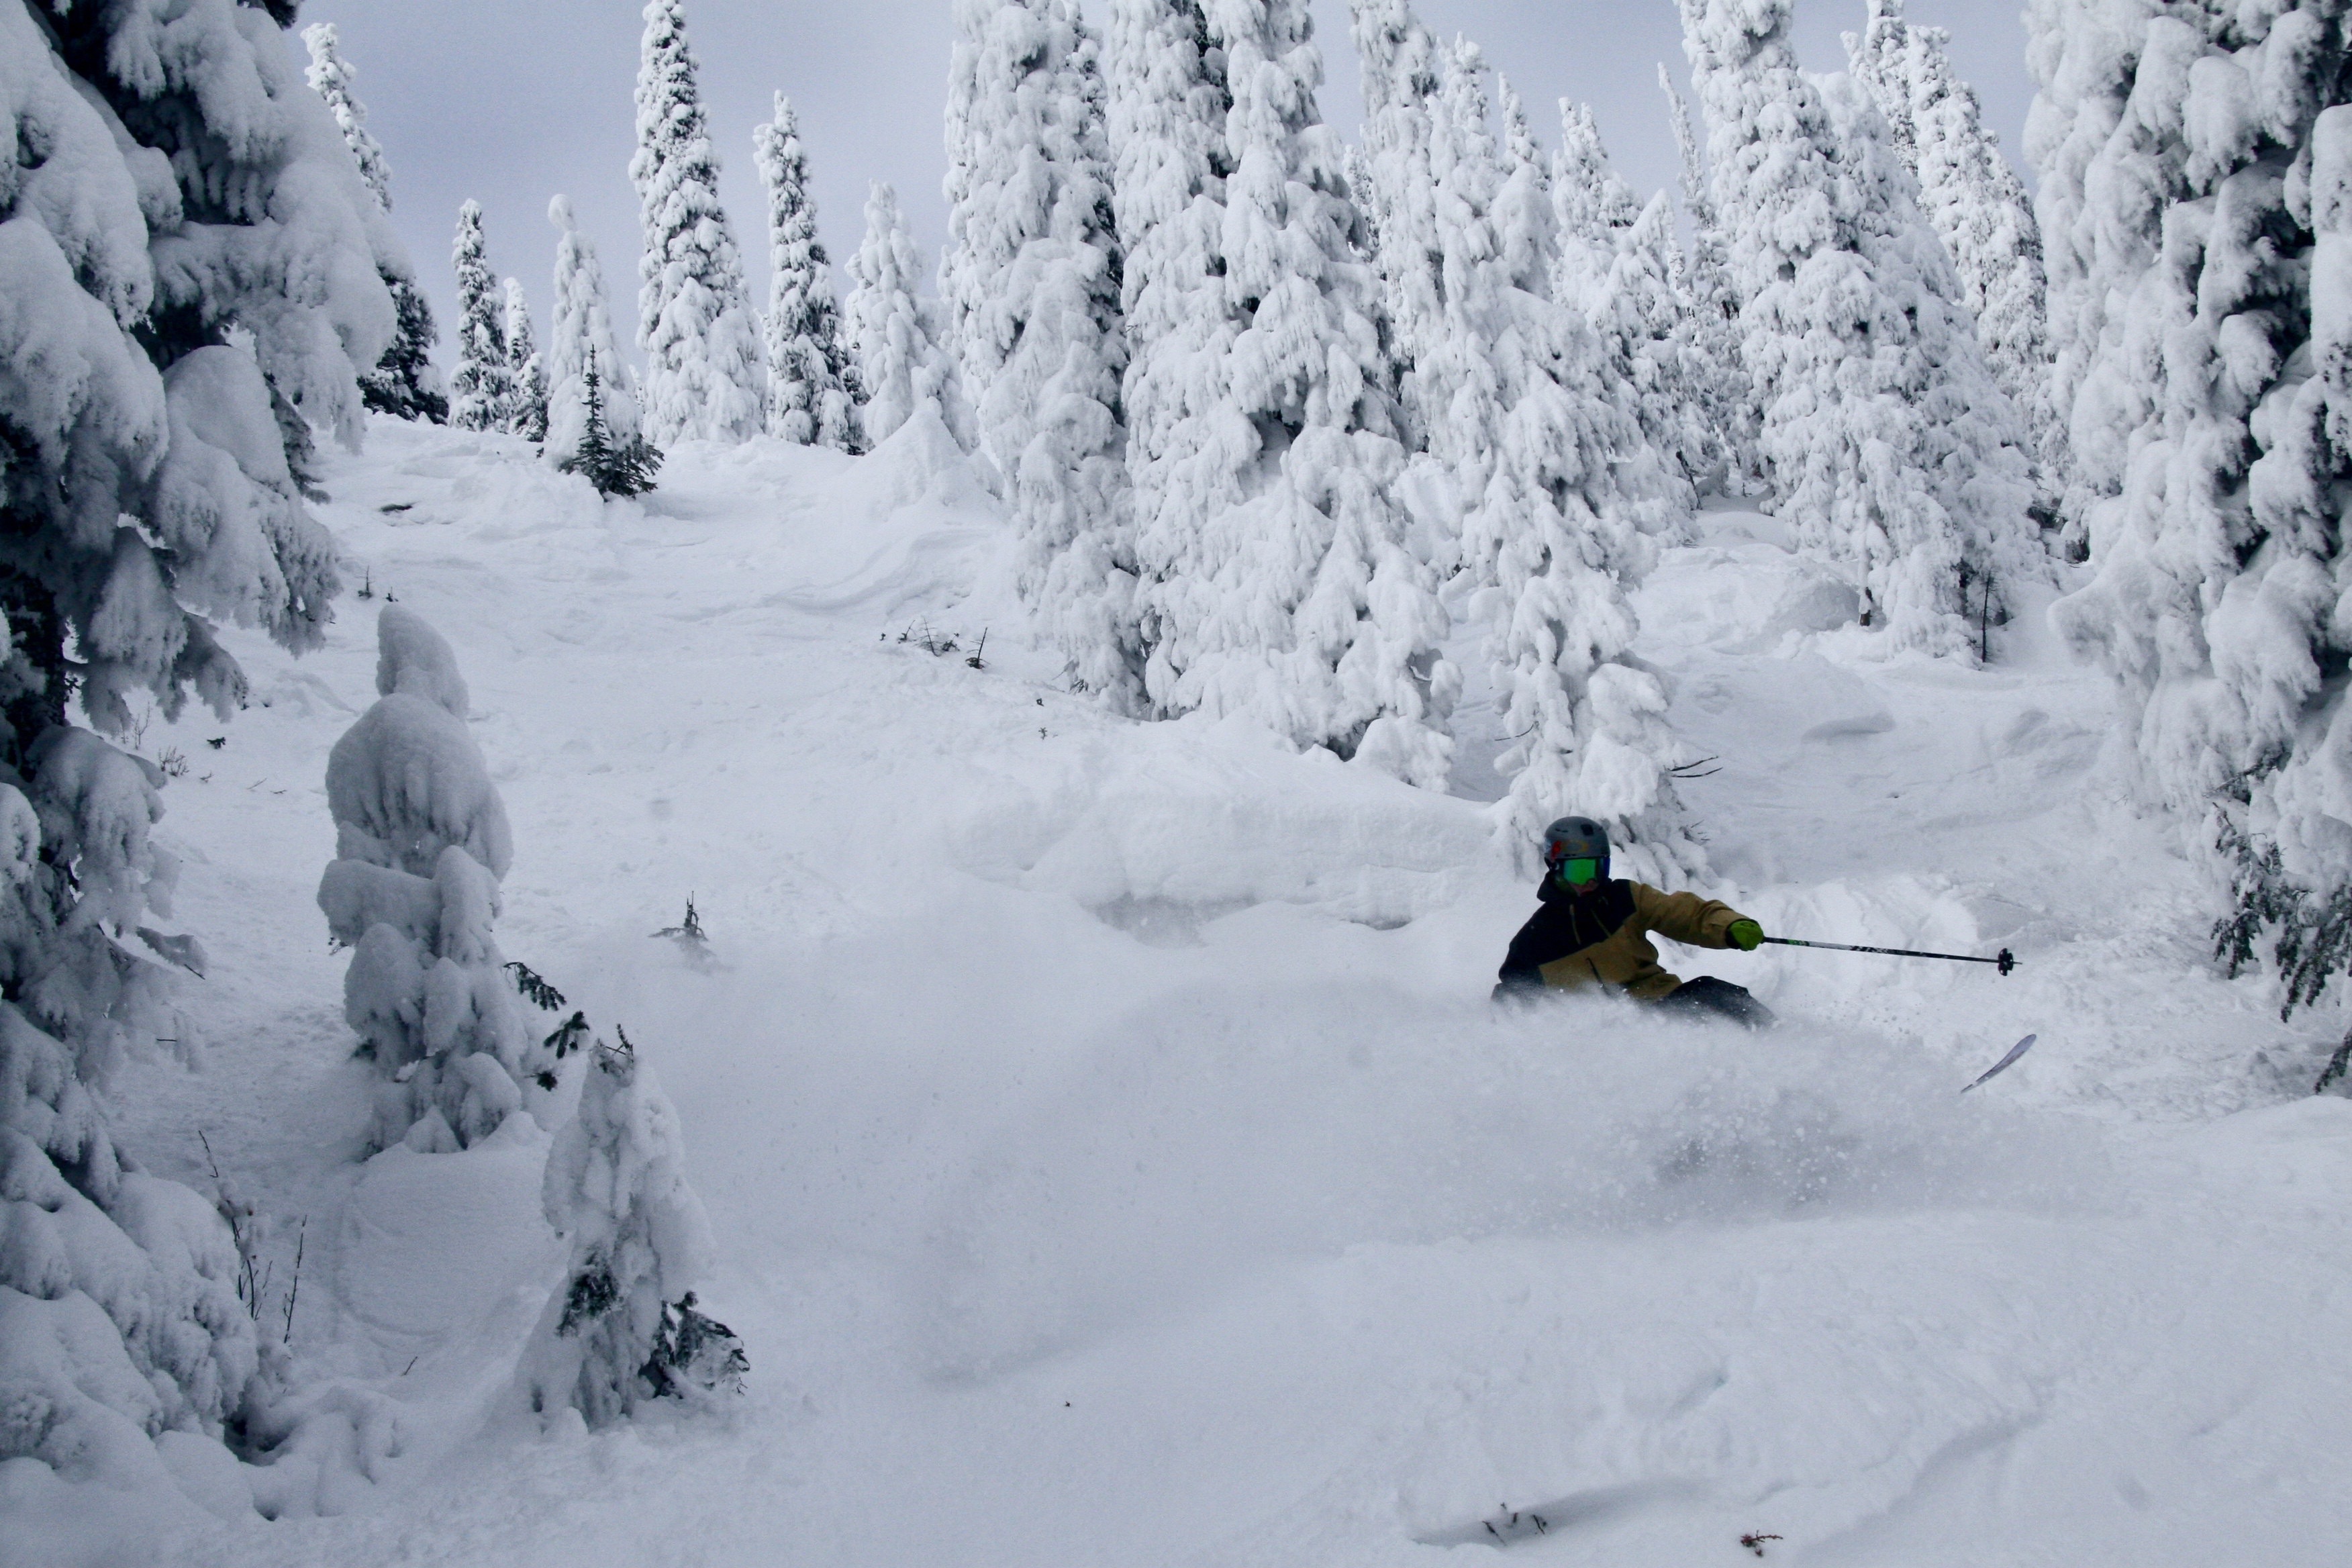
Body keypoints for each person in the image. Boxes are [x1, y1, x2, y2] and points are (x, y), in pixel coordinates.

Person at [1493, 816, 1775, 1028]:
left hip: (1661, 1001)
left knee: (1717, 995)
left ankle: (1781, 1046)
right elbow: (1512, 1003)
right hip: (1609, 1033)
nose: (1591, 880)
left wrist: (1728, 926)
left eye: (1598, 867)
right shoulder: (1535, 942)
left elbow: (1684, 912)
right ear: (1556, 868)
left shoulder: (1624, 898)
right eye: (1580, 870)